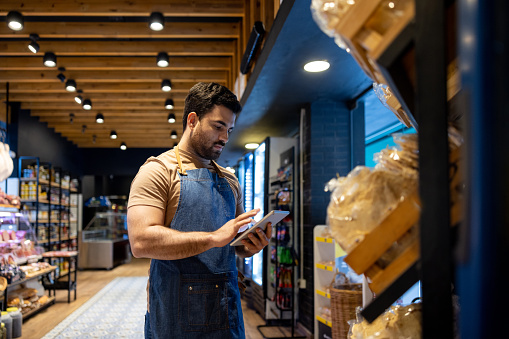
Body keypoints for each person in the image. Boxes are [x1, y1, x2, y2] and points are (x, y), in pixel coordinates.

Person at [127, 82, 271, 339]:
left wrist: (249, 245)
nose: (225, 137)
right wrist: (213, 238)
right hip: (174, 317)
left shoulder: (230, 180)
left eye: (229, 129)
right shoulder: (157, 171)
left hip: (226, 314)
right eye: (218, 127)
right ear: (192, 120)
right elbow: (141, 241)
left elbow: (235, 244)